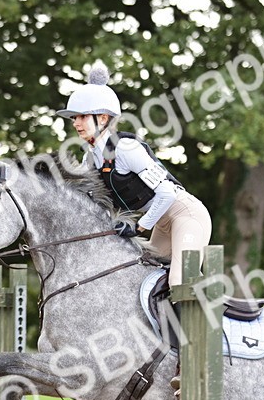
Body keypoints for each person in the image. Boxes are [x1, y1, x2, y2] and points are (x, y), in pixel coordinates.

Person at [57, 62, 212, 290]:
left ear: (102, 119)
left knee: (180, 284)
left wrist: (138, 227)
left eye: (81, 116)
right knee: (143, 281)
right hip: (161, 223)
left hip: (186, 215)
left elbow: (167, 193)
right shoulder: (89, 160)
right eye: (74, 118)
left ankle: (213, 324)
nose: (76, 123)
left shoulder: (126, 148)